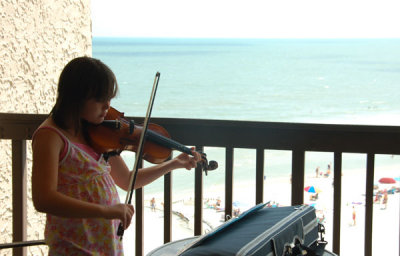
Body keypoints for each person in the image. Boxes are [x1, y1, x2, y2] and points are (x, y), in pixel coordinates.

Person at [31, 56, 201, 255]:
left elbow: (128, 180)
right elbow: (44, 199)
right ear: (76, 96)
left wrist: (172, 164)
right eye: (100, 99)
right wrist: (106, 211)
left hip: (106, 244)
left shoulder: (94, 133)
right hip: (73, 246)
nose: (107, 105)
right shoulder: (50, 137)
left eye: (109, 98)